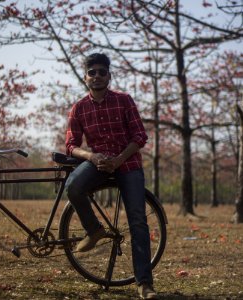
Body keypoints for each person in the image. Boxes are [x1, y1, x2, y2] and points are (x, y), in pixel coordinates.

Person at [65, 53, 156, 299]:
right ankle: (94, 230)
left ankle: (144, 283)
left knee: (137, 220)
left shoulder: (124, 100)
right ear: (85, 78)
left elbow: (140, 137)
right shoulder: (79, 108)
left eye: (101, 72)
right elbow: (71, 145)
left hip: (127, 164)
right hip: (98, 162)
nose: (97, 76)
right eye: (92, 72)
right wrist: (92, 157)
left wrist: (119, 159)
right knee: (72, 186)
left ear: (109, 75)